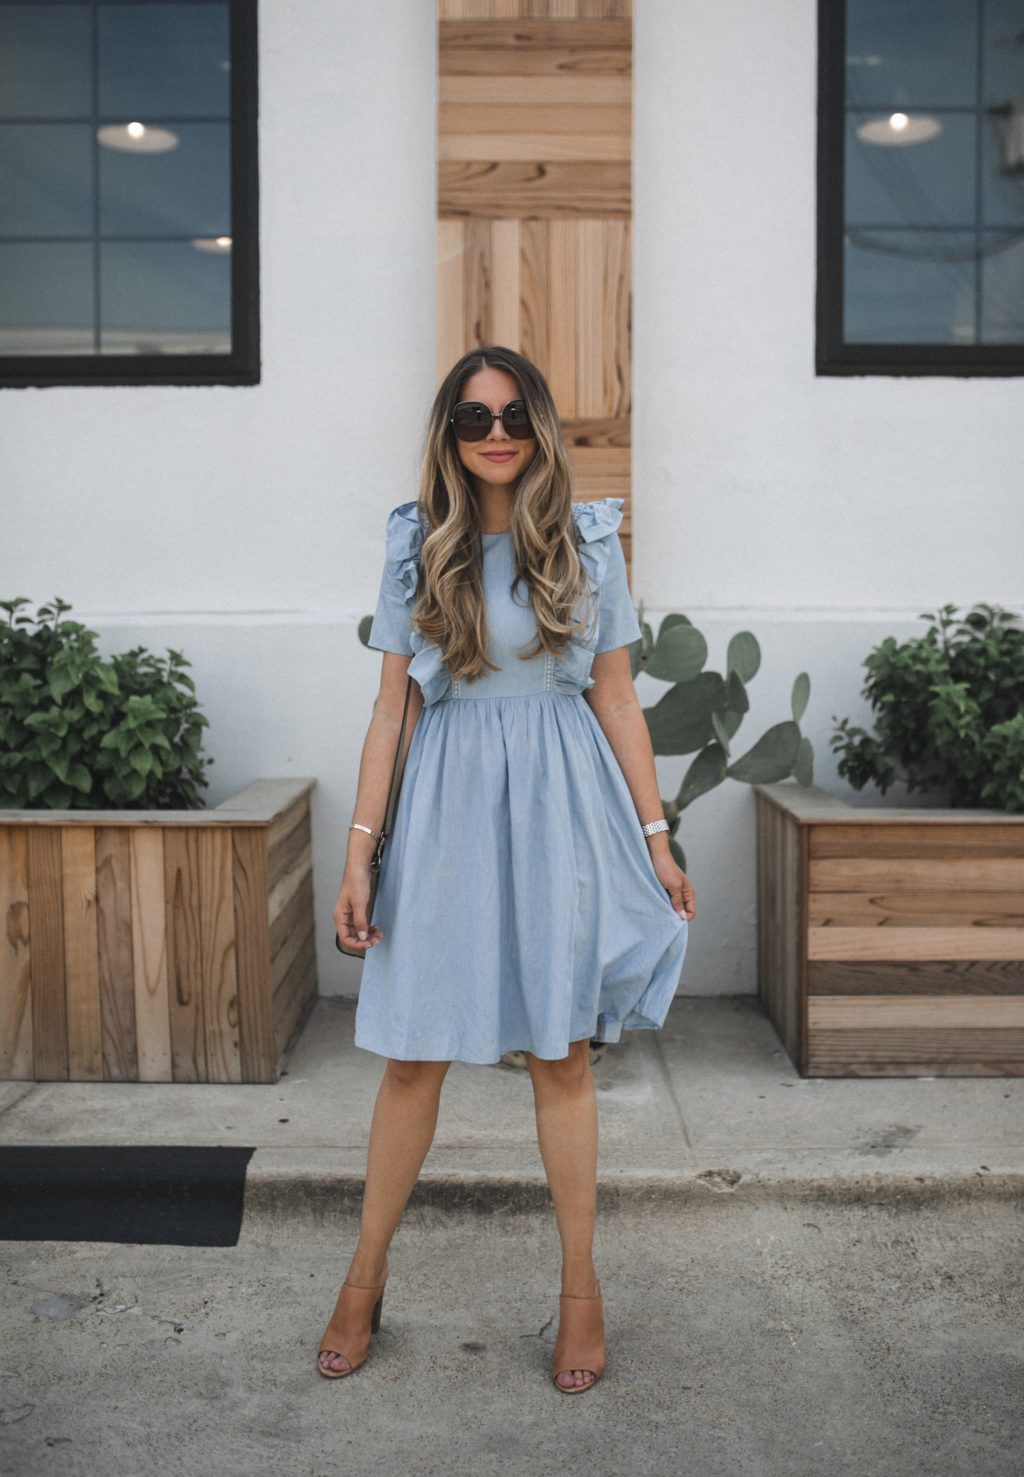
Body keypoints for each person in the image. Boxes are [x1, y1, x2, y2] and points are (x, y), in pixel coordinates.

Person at [320, 346, 697, 1393]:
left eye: (515, 416)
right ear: (448, 431)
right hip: (442, 812)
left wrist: (657, 840)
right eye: (475, 417)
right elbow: (391, 708)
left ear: (540, 427)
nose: (496, 434)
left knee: (561, 1057)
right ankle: (363, 1276)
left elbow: (616, 697)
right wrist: (359, 855)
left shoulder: (585, 539)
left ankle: (581, 1289)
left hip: (559, 806)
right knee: (410, 1054)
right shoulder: (414, 542)